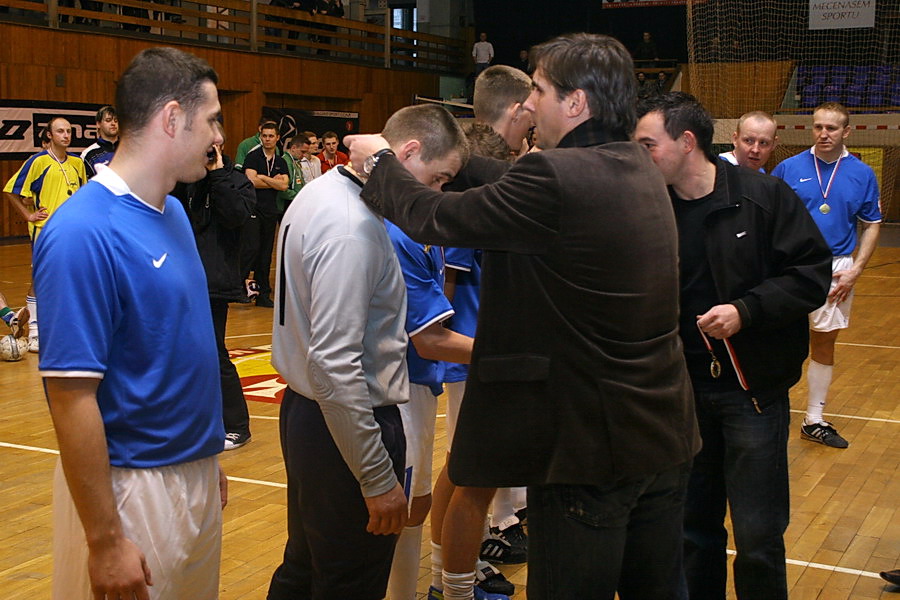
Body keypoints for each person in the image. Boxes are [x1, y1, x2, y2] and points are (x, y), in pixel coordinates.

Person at [347, 33, 700, 600]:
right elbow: (517, 188)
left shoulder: (556, 178)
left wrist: (381, 161)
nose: (530, 103)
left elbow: (433, 216)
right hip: (661, 436)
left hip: (589, 449)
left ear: (576, 103)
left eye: (539, 89)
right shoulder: (633, 164)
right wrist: (457, 161)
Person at [33, 46, 228, 600]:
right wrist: (105, 539)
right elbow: (70, 397)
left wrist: (204, 457)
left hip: (192, 473)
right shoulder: (81, 232)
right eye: (212, 119)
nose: (219, 137)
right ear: (171, 118)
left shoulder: (176, 213)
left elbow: (179, 353)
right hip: (129, 490)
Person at [634, 91, 832, 600]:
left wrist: (747, 310)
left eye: (647, 144)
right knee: (692, 532)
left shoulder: (764, 198)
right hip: (681, 397)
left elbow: (810, 275)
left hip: (753, 395)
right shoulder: (648, 209)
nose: (640, 156)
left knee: (758, 535)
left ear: (686, 141)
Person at [267, 103, 468, 600]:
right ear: (408, 152)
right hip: (346, 424)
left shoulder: (321, 191)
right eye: (438, 178)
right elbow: (335, 365)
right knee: (348, 582)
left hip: (309, 416)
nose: (436, 194)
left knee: (306, 569)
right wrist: (377, 477)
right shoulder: (353, 228)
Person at [427, 65, 535, 600]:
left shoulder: (485, 185)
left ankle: (450, 571)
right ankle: (450, 580)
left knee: (466, 470)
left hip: (485, 351)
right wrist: (453, 349)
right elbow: (445, 292)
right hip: (471, 353)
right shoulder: (475, 198)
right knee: (466, 472)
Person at [772, 102, 882, 449]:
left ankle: (814, 419)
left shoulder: (862, 173)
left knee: (823, 341)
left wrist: (855, 271)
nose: (823, 134)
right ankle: (768, 412)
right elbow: (768, 217)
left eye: (831, 128)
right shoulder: (788, 168)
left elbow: (872, 224)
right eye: (818, 127)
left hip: (836, 268)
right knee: (775, 339)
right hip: (789, 266)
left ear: (846, 131)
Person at [172, 121, 256, 451]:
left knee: (214, 352)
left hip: (212, 283)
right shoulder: (183, 179)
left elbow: (235, 216)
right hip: (179, 279)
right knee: (181, 353)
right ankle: (193, 419)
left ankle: (237, 425)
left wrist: (217, 174)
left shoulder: (235, 180)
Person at [3, 115, 86, 353]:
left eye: (69, 131)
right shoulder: (37, 162)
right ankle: (36, 333)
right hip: (46, 232)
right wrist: (28, 216)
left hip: (73, 232)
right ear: (49, 135)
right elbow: (11, 191)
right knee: (40, 281)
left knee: (70, 279)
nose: (66, 135)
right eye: (60, 131)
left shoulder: (77, 163)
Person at [242, 122, 289, 308]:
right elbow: (251, 181)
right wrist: (271, 182)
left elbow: (284, 185)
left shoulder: (281, 161)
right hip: (253, 209)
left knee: (266, 253)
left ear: (278, 138)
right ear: (260, 136)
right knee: (250, 249)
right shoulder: (253, 157)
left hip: (270, 210)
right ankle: (238, 287)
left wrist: (264, 178)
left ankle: (263, 294)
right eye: (264, 136)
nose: (267, 139)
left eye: (271, 136)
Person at [80, 105, 120, 178]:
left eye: (116, 120)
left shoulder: (129, 149)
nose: (113, 123)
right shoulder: (88, 154)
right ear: (98, 124)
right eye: (108, 120)